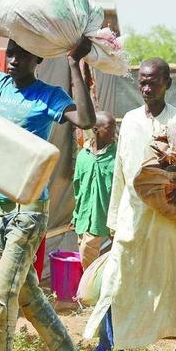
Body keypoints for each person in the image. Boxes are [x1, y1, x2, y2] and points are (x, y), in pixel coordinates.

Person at [83, 58, 176, 351]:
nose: (147, 88)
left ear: (167, 84)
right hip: (133, 217)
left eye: (154, 82)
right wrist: (113, 221)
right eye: (143, 82)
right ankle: (107, 350)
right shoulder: (131, 120)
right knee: (119, 279)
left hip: (170, 220)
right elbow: (122, 172)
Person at [0, 38, 96, 351]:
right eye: (11, 53)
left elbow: (87, 120)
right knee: (28, 293)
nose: (13, 60)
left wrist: (76, 64)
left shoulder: (50, 96)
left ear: (38, 60)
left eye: (22, 55)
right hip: (0, 209)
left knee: (2, 295)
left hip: (29, 211)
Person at [71, 111, 117, 269]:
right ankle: (89, 290)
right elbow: (78, 187)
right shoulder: (83, 156)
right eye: (110, 128)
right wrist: (76, 215)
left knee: (120, 255)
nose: (114, 132)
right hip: (88, 216)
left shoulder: (118, 156)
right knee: (87, 256)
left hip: (113, 217)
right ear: (96, 130)